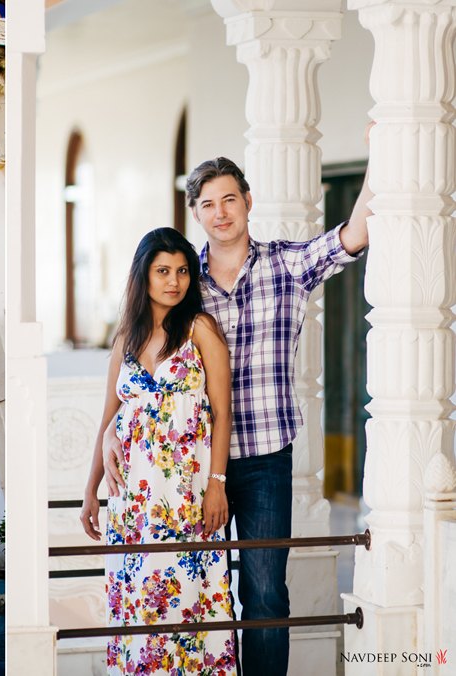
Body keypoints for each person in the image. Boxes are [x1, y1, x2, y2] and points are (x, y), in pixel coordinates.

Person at [88, 157, 372, 675]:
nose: (220, 213)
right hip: (187, 474)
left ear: (247, 202)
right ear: (196, 213)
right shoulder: (180, 279)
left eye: (229, 200)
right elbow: (138, 368)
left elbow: (353, 236)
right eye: (208, 204)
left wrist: (381, 155)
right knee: (193, 590)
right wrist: (111, 428)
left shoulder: (285, 264)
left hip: (263, 459)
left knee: (264, 592)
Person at [81, 228, 237, 674]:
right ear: (143, 276)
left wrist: (216, 485)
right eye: (163, 271)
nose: (174, 281)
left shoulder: (199, 329)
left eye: (183, 271)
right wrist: (91, 491)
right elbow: (108, 418)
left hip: (185, 496)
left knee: (189, 601)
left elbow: (222, 414)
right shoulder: (125, 338)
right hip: (132, 503)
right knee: (139, 604)